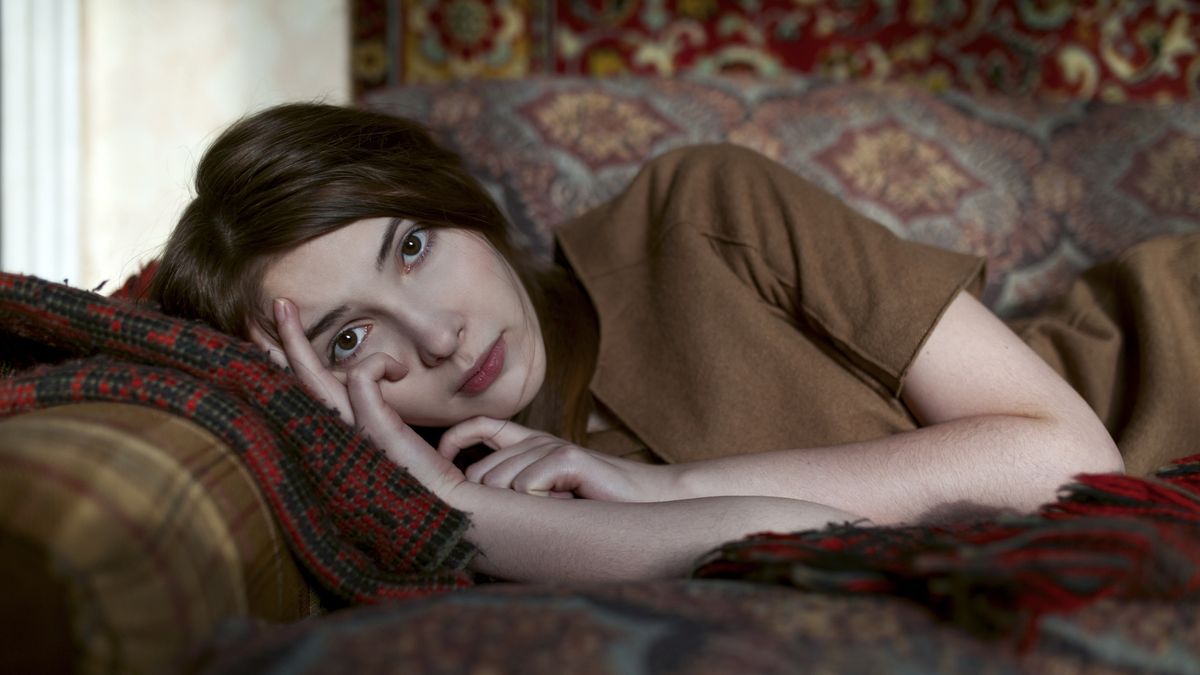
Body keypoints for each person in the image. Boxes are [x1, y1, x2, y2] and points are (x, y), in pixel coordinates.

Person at [150, 103, 1198, 582]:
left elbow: (1066, 461)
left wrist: (659, 484)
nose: (433, 333)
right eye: (347, 339)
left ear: (454, 202)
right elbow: (841, 540)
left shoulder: (695, 213)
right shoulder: (513, 512)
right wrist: (457, 508)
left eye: (413, 246)